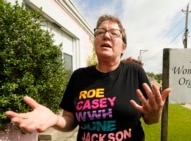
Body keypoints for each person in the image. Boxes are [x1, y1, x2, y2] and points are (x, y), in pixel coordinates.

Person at [5, 14, 171, 141]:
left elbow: (150, 119)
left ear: (124, 47)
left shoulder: (134, 72)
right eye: (100, 32)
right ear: (95, 41)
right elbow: (69, 121)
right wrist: (54, 119)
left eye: (114, 33)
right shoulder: (79, 76)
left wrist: (155, 113)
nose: (106, 36)